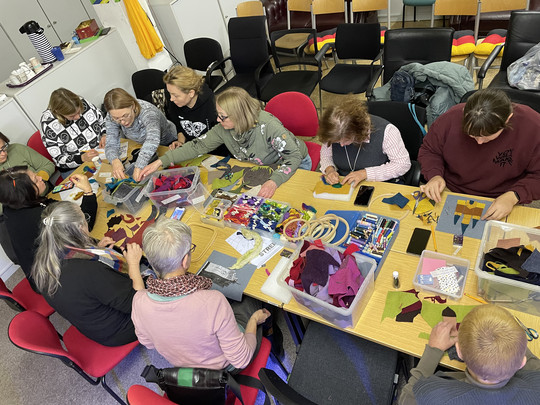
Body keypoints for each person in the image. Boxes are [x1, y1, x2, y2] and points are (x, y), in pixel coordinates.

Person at [130, 218, 270, 370]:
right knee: (251, 297)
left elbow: (148, 343)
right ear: (185, 261)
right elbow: (241, 360)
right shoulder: (212, 301)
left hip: (185, 368)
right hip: (222, 370)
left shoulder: (139, 301)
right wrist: (254, 320)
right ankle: (272, 335)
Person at [140, 86, 311, 198]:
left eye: (222, 116)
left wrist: (274, 181)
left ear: (239, 115)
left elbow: (294, 156)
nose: (217, 119)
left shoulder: (268, 126)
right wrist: (160, 161)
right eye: (218, 114)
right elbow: (197, 146)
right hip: (262, 168)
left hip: (291, 164)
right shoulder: (224, 128)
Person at [32, 201, 144, 346]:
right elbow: (138, 303)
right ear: (80, 228)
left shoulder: (44, 259)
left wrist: (95, 249)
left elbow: (81, 286)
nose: (86, 220)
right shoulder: (90, 271)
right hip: (120, 330)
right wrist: (134, 264)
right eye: (85, 217)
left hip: (93, 327)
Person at [418, 89, 540, 221]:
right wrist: (434, 175)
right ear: (464, 113)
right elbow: (430, 150)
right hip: (450, 190)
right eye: (472, 135)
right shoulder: (450, 118)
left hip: (503, 197)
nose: (479, 142)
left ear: (508, 118)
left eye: (486, 136)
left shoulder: (533, 126)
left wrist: (514, 196)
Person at [400, 304, 540, 404]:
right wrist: (511, 340)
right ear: (522, 362)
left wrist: (433, 350)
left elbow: (406, 398)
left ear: (459, 351)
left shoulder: (434, 395)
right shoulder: (535, 386)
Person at [0, 167, 97, 291]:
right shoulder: (42, 217)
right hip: (53, 281)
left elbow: (46, 203)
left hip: (39, 269)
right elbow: (84, 224)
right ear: (24, 191)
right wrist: (88, 191)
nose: (41, 178)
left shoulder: (12, 205)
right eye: (35, 180)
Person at [318, 97, 411, 186]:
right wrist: (329, 169)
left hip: (381, 184)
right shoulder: (333, 130)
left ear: (358, 130)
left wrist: (365, 173)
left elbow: (402, 164)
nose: (341, 145)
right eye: (337, 142)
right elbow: (326, 155)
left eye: (346, 140)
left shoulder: (388, 131)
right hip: (345, 184)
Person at [103, 88, 177, 182]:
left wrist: (139, 166)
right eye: (117, 118)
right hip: (143, 146)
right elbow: (111, 142)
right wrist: (114, 161)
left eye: (125, 115)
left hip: (167, 144)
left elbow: (152, 139)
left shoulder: (148, 112)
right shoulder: (112, 115)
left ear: (133, 106)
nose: (122, 122)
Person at [40, 88, 106, 176]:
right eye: (72, 116)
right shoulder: (48, 124)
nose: (78, 117)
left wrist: (104, 134)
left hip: (101, 152)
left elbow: (103, 120)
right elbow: (59, 160)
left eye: (79, 111)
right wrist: (81, 158)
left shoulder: (81, 102)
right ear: (58, 112)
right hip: (76, 166)